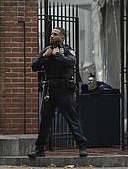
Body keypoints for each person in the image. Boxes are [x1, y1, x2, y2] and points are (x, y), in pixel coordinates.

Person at [29, 27, 88, 158]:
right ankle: (39, 149)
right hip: (50, 89)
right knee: (45, 120)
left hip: (64, 90)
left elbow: (71, 63)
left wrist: (58, 55)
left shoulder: (67, 50)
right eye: (51, 34)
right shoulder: (46, 50)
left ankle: (82, 147)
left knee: (72, 119)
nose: (51, 36)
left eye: (55, 34)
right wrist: (45, 56)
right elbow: (34, 66)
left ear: (62, 37)